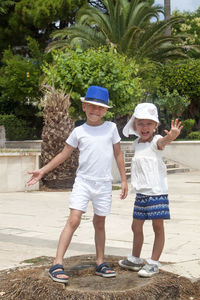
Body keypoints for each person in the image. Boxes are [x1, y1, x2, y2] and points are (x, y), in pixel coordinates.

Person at [27, 85, 128, 283]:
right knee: (73, 220)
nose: (95, 110)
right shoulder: (78, 131)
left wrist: (124, 180)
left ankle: (100, 262)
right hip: (83, 182)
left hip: (104, 184)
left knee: (100, 223)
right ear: (84, 106)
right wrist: (43, 170)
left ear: (106, 110)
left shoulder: (111, 128)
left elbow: (118, 153)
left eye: (100, 107)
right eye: (91, 106)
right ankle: (57, 263)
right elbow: (64, 154)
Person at [118, 103, 183, 278]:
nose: (144, 127)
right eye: (141, 123)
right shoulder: (136, 143)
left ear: (155, 126)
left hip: (157, 193)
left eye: (149, 123)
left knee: (157, 227)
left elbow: (163, 142)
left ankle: (153, 262)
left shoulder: (156, 142)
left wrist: (172, 137)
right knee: (135, 226)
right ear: (135, 125)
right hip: (141, 194)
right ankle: (135, 259)